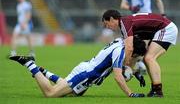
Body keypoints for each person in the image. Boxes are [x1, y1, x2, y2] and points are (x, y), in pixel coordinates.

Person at [9, 37, 146, 98]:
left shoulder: (120, 42)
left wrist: (135, 73)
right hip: (86, 74)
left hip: (86, 70)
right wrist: (130, 93)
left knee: (72, 93)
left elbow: (124, 62)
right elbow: (118, 76)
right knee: (50, 94)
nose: (133, 60)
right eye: (135, 57)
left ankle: (44, 72)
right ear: (132, 51)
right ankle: (30, 64)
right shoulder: (119, 51)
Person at [102, 9, 178, 97]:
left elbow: (129, 48)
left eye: (107, 24)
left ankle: (157, 90)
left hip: (166, 28)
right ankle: (155, 89)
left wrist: (126, 66)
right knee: (147, 59)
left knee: (149, 58)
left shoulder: (124, 24)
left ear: (112, 19)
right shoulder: (125, 23)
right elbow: (136, 51)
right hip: (163, 28)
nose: (107, 27)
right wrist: (134, 71)